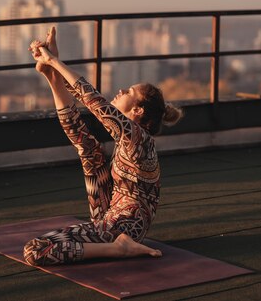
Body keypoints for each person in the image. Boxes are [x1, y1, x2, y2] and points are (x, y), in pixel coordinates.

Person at [23, 27, 183, 266]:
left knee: (35, 251)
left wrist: (55, 62)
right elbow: (77, 130)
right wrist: (52, 74)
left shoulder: (138, 138)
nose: (120, 91)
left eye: (128, 91)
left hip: (124, 227)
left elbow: (93, 101)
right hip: (110, 219)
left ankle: (118, 249)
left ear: (137, 110)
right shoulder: (131, 139)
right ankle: (115, 244)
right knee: (89, 149)